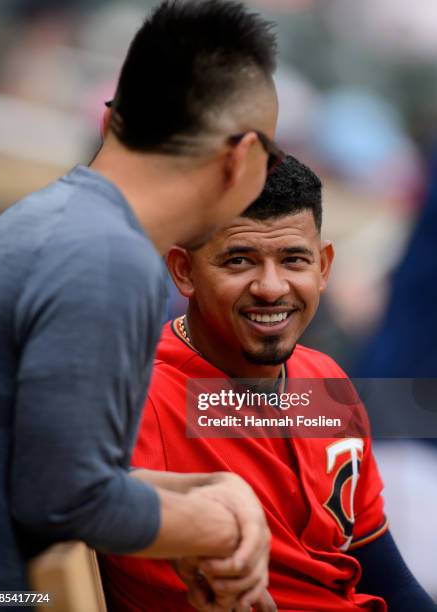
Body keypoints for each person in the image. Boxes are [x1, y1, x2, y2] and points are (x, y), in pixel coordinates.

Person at [0, 0, 282, 598]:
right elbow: (66, 499)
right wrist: (222, 528)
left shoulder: (57, 221)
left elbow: (56, 462)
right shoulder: (109, 257)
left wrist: (213, 495)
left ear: (110, 121)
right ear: (242, 157)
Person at [101, 156, 437, 611]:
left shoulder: (325, 381)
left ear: (323, 267)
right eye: (239, 260)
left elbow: (386, 576)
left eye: (293, 260)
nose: (271, 287)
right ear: (183, 271)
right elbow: (52, 499)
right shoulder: (135, 391)